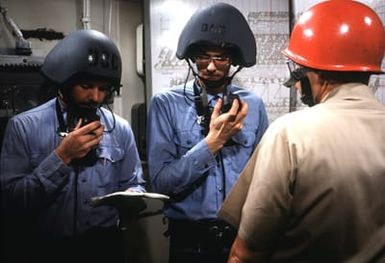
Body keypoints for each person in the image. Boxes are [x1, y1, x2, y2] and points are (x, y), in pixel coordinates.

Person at [218, 0, 385, 262]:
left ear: (314, 74)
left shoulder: (291, 133)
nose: (295, 85)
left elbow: (246, 253)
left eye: (298, 70)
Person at [0, 29, 145, 263]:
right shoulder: (23, 127)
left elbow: (134, 183)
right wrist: (61, 157)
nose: (95, 97)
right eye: (86, 86)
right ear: (65, 81)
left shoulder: (120, 129)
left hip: (105, 247)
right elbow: (12, 202)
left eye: (103, 88)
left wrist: (132, 196)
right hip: (45, 249)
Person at [147, 3, 268, 263]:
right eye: (203, 57)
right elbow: (161, 183)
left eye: (221, 58)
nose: (211, 67)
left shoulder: (254, 106)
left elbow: (264, 179)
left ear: (233, 61)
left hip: (242, 237)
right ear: (193, 57)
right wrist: (213, 143)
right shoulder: (165, 104)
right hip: (190, 244)